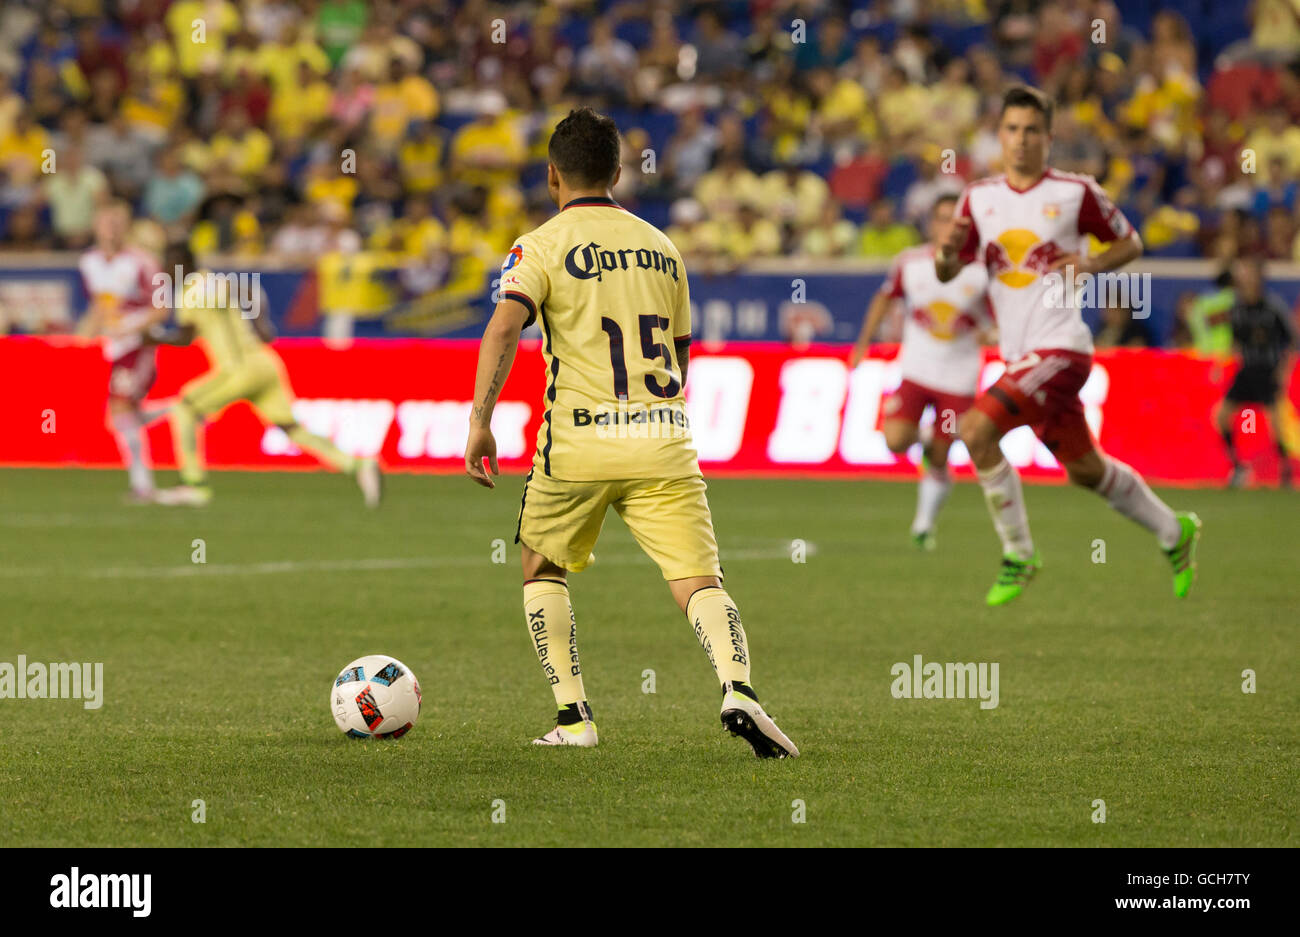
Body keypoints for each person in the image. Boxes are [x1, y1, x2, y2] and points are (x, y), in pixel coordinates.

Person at [464, 108, 797, 758]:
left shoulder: (541, 243)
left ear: (551, 174)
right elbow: (679, 354)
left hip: (579, 440)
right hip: (662, 436)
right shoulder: (663, 248)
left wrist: (480, 422)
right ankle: (738, 687)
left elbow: (505, 326)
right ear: (619, 172)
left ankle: (574, 717)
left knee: (541, 561)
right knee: (699, 579)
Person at [936, 85, 1201, 606]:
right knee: (1087, 471)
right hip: (1022, 357)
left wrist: (1094, 264)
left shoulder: (1075, 193)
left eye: (1032, 130)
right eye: (1012, 129)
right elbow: (950, 267)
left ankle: (1019, 553)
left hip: (1062, 348)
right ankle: (1175, 530)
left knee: (976, 429)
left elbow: (1132, 241)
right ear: (1001, 135)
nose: (1020, 140)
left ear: (1049, 138)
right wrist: (945, 256)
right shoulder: (978, 199)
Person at [148, 243, 382, 507]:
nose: (164, 269)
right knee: (292, 429)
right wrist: (261, 325)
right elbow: (247, 291)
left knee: (185, 407)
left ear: (181, 264)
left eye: (168, 262)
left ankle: (193, 484)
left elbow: (185, 336)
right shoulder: (210, 281)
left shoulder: (191, 291)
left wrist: (152, 337)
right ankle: (358, 465)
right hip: (264, 363)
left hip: (239, 369)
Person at [850, 194, 992, 550]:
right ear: (930, 223)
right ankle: (926, 440)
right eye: (940, 218)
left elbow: (998, 319)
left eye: (954, 220)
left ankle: (924, 523)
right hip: (917, 368)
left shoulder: (981, 270)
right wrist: (863, 343)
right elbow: (884, 297)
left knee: (943, 454)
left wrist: (991, 333)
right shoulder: (910, 263)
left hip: (958, 375)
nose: (947, 227)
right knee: (895, 440)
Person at [76, 201, 166, 502]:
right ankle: (180, 410)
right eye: (105, 221)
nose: (111, 227)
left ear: (126, 225)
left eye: (117, 221)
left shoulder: (143, 262)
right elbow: (99, 306)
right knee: (120, 416)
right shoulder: (89, 262)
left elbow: (161, 309)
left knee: (121, 407)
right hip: (113, 346)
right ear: (95, 225)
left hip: (138, 343)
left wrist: (129, 328)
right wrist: (86, 332)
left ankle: (143, 486)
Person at [1214, 254, 1297, 488]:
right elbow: (1236, 341)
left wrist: (1284, 371)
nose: (1245, 277)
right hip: (1246, 371)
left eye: (1249, 272)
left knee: (1276, 424)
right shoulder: (1237, 309)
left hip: (1268, 371)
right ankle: (1238, 467)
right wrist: (1222, 366)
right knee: (1221, 416)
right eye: (1242, 272)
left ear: (1259, 277)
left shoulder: (1274, 308)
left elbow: (1291, 341)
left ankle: (1285, 470)